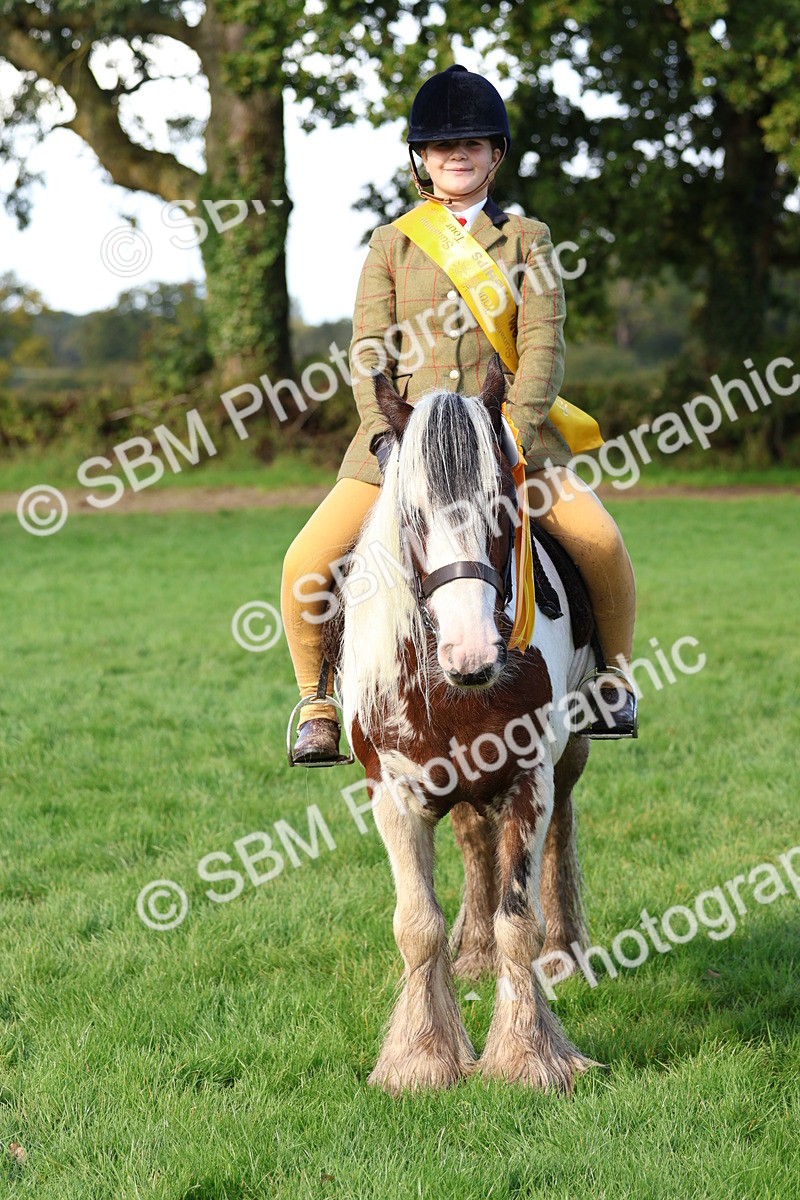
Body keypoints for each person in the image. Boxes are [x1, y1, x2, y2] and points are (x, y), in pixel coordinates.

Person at [280, 64, 637, 765]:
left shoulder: (528, 240)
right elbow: (367, 352)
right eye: (442, 146)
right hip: (401, 446)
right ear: (422, 157)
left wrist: (512, 432)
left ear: (495, 153)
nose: (457, 154)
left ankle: (614, 680)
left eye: (472, 143)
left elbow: (541, 348)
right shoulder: (392, 242)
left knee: (599, 541)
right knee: (305, 563)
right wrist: (387, 438)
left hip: (506, 440)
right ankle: (318, 705)